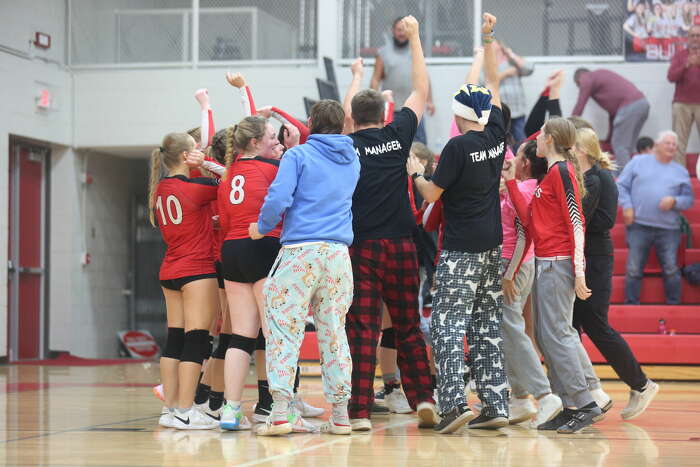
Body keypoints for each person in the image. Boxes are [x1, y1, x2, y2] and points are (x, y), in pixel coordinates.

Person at [408, 12, 509, 433]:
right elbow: (495, 83)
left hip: (462, 249)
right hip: (492, 247)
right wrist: (488, 36)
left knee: (448, 325)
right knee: (486, 324)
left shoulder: (455, 147)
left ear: (457, 112)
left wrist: (415, 172)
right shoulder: (497, 132)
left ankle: (452, 405)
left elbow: (433, 194)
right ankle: (495, 404)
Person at [343, 16, 438, 432]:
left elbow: (345, 118)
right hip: (402, 245)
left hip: (361, 247)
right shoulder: (399, 134)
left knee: (363, 329)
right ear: (384, 112)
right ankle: (423, 400)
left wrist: (357, 76)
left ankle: (360, 411)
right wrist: (416, 38)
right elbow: (420, 90)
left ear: (354, 118)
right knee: (408, 325)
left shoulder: (345, 146)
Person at [249, 100, 360, 436]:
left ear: (311, 122)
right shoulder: (353, 159)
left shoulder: (297, 156)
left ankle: (280, 412)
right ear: (342, 126)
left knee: (284, 328)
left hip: (300, 251)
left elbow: (278, 198)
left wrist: (261, 226)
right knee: (334, 332)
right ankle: (340, 414)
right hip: (339, 255)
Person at [503, 117, 605, 434]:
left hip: (558, 263)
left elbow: (577, 223)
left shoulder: (561, 172)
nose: (538, 140)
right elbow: (531, 222)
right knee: (548, 337)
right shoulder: (550, 174)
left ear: (549, 139)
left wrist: (578, 271)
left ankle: (585, 403)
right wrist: (509, 183)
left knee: (558, 335)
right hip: (546, 261)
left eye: (542, 136)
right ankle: (567, 403)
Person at [573, 128, 660, 420]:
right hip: (587, 257)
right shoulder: (591, 176)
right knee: (570, 327)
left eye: (571, 146)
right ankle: (584, 394)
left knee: (595, 325)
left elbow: (595, 221)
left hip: (595, 258)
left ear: (582, 150)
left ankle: (641, 384)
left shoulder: (597, 178)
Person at [149, 132, 221, 430]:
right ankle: (185, 409)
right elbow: (230, 182)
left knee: (175, 339)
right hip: (197, 270)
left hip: (170, 271)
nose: (200, 152)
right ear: (184, 156)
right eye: (195, 150)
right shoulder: (197, 187)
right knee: (196, 338)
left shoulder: (160, 188)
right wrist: (208, 163)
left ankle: (170, 411)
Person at [498, 140, 565, 428]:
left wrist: (509, 272)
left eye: (517, 158)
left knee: (512, 327)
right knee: (509, 327)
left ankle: (544, 394)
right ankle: (520, 397)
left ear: (524, 164)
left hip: (515, 263)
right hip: (517, 263)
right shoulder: (521, 185)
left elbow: (525, 231)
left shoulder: (525, 188)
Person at [617, 130, 694, 305]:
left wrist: (675, 201)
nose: (672, 146)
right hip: (639, 225)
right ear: (657, 145)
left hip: (669, 229)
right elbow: (621, 186)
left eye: (674, 144)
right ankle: (631, 306)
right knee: (633, 269)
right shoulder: (637, 162)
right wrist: (627, 206)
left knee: (671, 269)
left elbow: (689, 200)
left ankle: (674, 305)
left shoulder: (680, 171)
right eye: (668, 143)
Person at [370, 16, 435, 144]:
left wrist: (430, 101)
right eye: (398, 30)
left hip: (415, 108)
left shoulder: (416, 51)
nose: (401, 33)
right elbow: (375, 79)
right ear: (393, 31)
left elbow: (425, 77)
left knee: (419, 146)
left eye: (404, 29)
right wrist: (372, 102)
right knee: (390, 145)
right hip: (391, 109)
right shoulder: (382, 53)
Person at [572, 68, 650, 171]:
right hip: (642, 104)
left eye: (579, 86)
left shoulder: (586, 78)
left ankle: (625, 181)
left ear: (579, 79)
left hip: (629, 107)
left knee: (620, 146)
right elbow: (613, 114)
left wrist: (568, 127)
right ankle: (631, 177)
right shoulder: (601, 75)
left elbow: (580, 105)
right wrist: (609, 138)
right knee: (628, 147)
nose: (581, 87)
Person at [668, 24, 700, 166]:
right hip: (682, 104)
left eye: (698, 35)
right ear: (687, 38)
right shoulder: (680, 55)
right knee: (679, 143)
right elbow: (671, 77)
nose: (695, 38)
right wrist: (686, 64)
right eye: (692, 35)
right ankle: (679, 178)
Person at [494, 41, 534, 143]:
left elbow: (529, 68)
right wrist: (505, 73)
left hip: (518, 110)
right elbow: (485, 83)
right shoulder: (487, 64)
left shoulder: (512, 62)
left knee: (520, 140)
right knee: (502, 140)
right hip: (501, 111)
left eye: (496, 44)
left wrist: (511, 54)